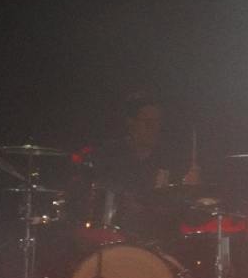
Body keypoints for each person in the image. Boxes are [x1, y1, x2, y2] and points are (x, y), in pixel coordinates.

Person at [84, 90, 200, 239]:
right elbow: (100, 194)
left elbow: (186, 213)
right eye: (148, 122)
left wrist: (191, 190)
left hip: (159, 239)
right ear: (130, 122)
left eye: (157, 122)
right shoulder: (110, 154)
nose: (154, 128)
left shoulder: (170, 158)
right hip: (116, 237)